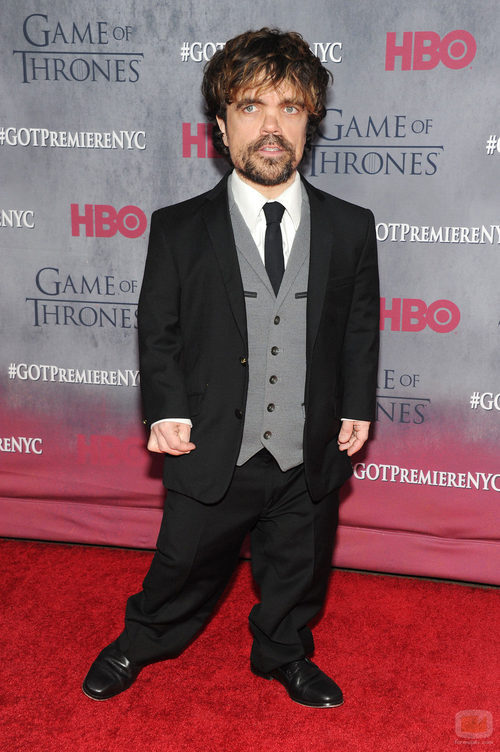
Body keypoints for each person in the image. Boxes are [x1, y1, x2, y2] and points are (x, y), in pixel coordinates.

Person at [83, 27, 379, 708]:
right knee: (182, 564)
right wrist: (166, 408)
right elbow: (158, 328)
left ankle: (284, 651)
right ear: (221, 125)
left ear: (310, 123)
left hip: (308, 445)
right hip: (214, 440)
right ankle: (141, 640)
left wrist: (357, 404)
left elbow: (359, 325)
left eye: (289, 107)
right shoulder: (179, 228)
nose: (271, 126)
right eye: (251, 106)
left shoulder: (350, 226)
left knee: (299, 566)